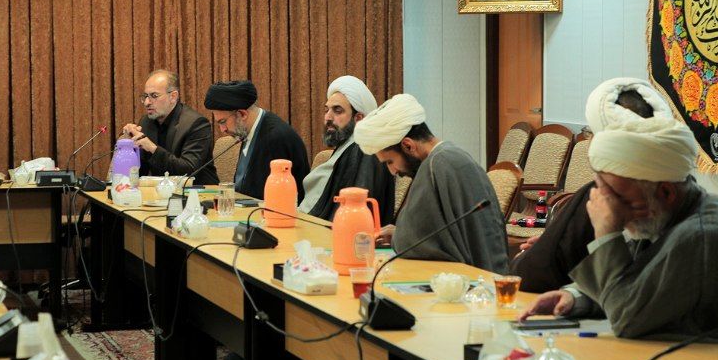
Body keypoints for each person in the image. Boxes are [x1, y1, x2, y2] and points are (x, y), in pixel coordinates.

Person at [520, 115, 718, 360]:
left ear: (666, 192)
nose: (609, 208)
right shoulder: (665, 217)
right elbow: (637, 285)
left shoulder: (703, 235)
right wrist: (574, 297)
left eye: (617, 198)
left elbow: (627, 318)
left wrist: (606, 232)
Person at [513, 78, 671, 293]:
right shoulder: (660, 187)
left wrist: (604, 236)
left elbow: (629, 300)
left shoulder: (604, 194)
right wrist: (573, 294)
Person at [354, 94, 507, 272]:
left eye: (390, 162)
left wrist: (397, 237)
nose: (393, 171)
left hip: (474, 279)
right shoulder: (451, 156)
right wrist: (398, 233)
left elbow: (410, 242)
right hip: (490, 273)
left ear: (408, 145)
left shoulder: (435, 166)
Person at [298, 75, 394, 222]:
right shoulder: (347, 145)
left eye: (337, 111)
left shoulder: (366, 151)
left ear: (359, 118)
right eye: (326, 110)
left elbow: (356, 214)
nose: (328, 117)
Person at [204, 80, 309, 201]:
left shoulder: (275, 139)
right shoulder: (247, 130)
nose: (222, 129)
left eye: (223, 122)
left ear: (242, 114)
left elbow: (269, 198)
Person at [121, 69, 217, 184]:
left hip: (198, 191)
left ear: (173, 96)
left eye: (154, 96)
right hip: (160, 191)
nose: (147, 102)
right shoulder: (146, 122)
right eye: (145, 96)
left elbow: (188, 171)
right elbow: (139, 173)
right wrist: (129, 146)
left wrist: (152, 148)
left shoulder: (196, 124)